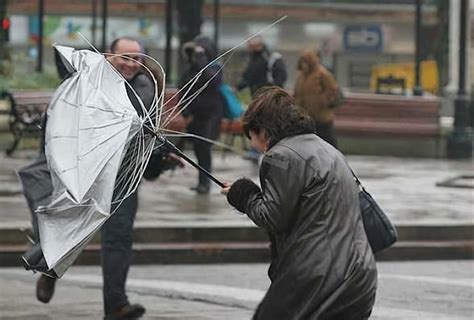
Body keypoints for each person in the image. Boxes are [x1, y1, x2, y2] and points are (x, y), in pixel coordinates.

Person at [33, 37, 182, 320]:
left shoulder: (145, 89)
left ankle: (116, 305)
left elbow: (145, 138)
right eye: (124, 57)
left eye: (136, 59)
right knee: (71, 226)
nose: (130, 64)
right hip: (83, 172)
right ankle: (48, 268)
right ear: (108, 55)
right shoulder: (85, 80)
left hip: (122, 178)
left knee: (119, 238)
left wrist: (160, 158)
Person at [221, 87, 377, 320]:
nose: (252, 145)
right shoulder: (327, 149)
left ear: (263, 131)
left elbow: (271, 216)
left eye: (250, 137)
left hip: (319, 278)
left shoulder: (280, 156)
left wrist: (243, 194)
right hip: (359, 276)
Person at [179, 35, 224, 194]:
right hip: (194, 116)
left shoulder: (215, 67)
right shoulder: (190, 68)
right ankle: (201, 182)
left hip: (210, 117)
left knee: (204, 149)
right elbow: (183, 88)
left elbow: (211, 81)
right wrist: (185, 112)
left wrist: (201, 60)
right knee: (198, 149)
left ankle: (205, 183)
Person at [293, 48, 340, 148]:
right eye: (302, 62)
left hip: (321, 116)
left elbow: (333, 90)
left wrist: (323, 102)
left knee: (328, 142)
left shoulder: (322, 73)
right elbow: (297, 93)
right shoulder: (300, 76)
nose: (304, 65)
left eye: (306, 62)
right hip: (305, 116)